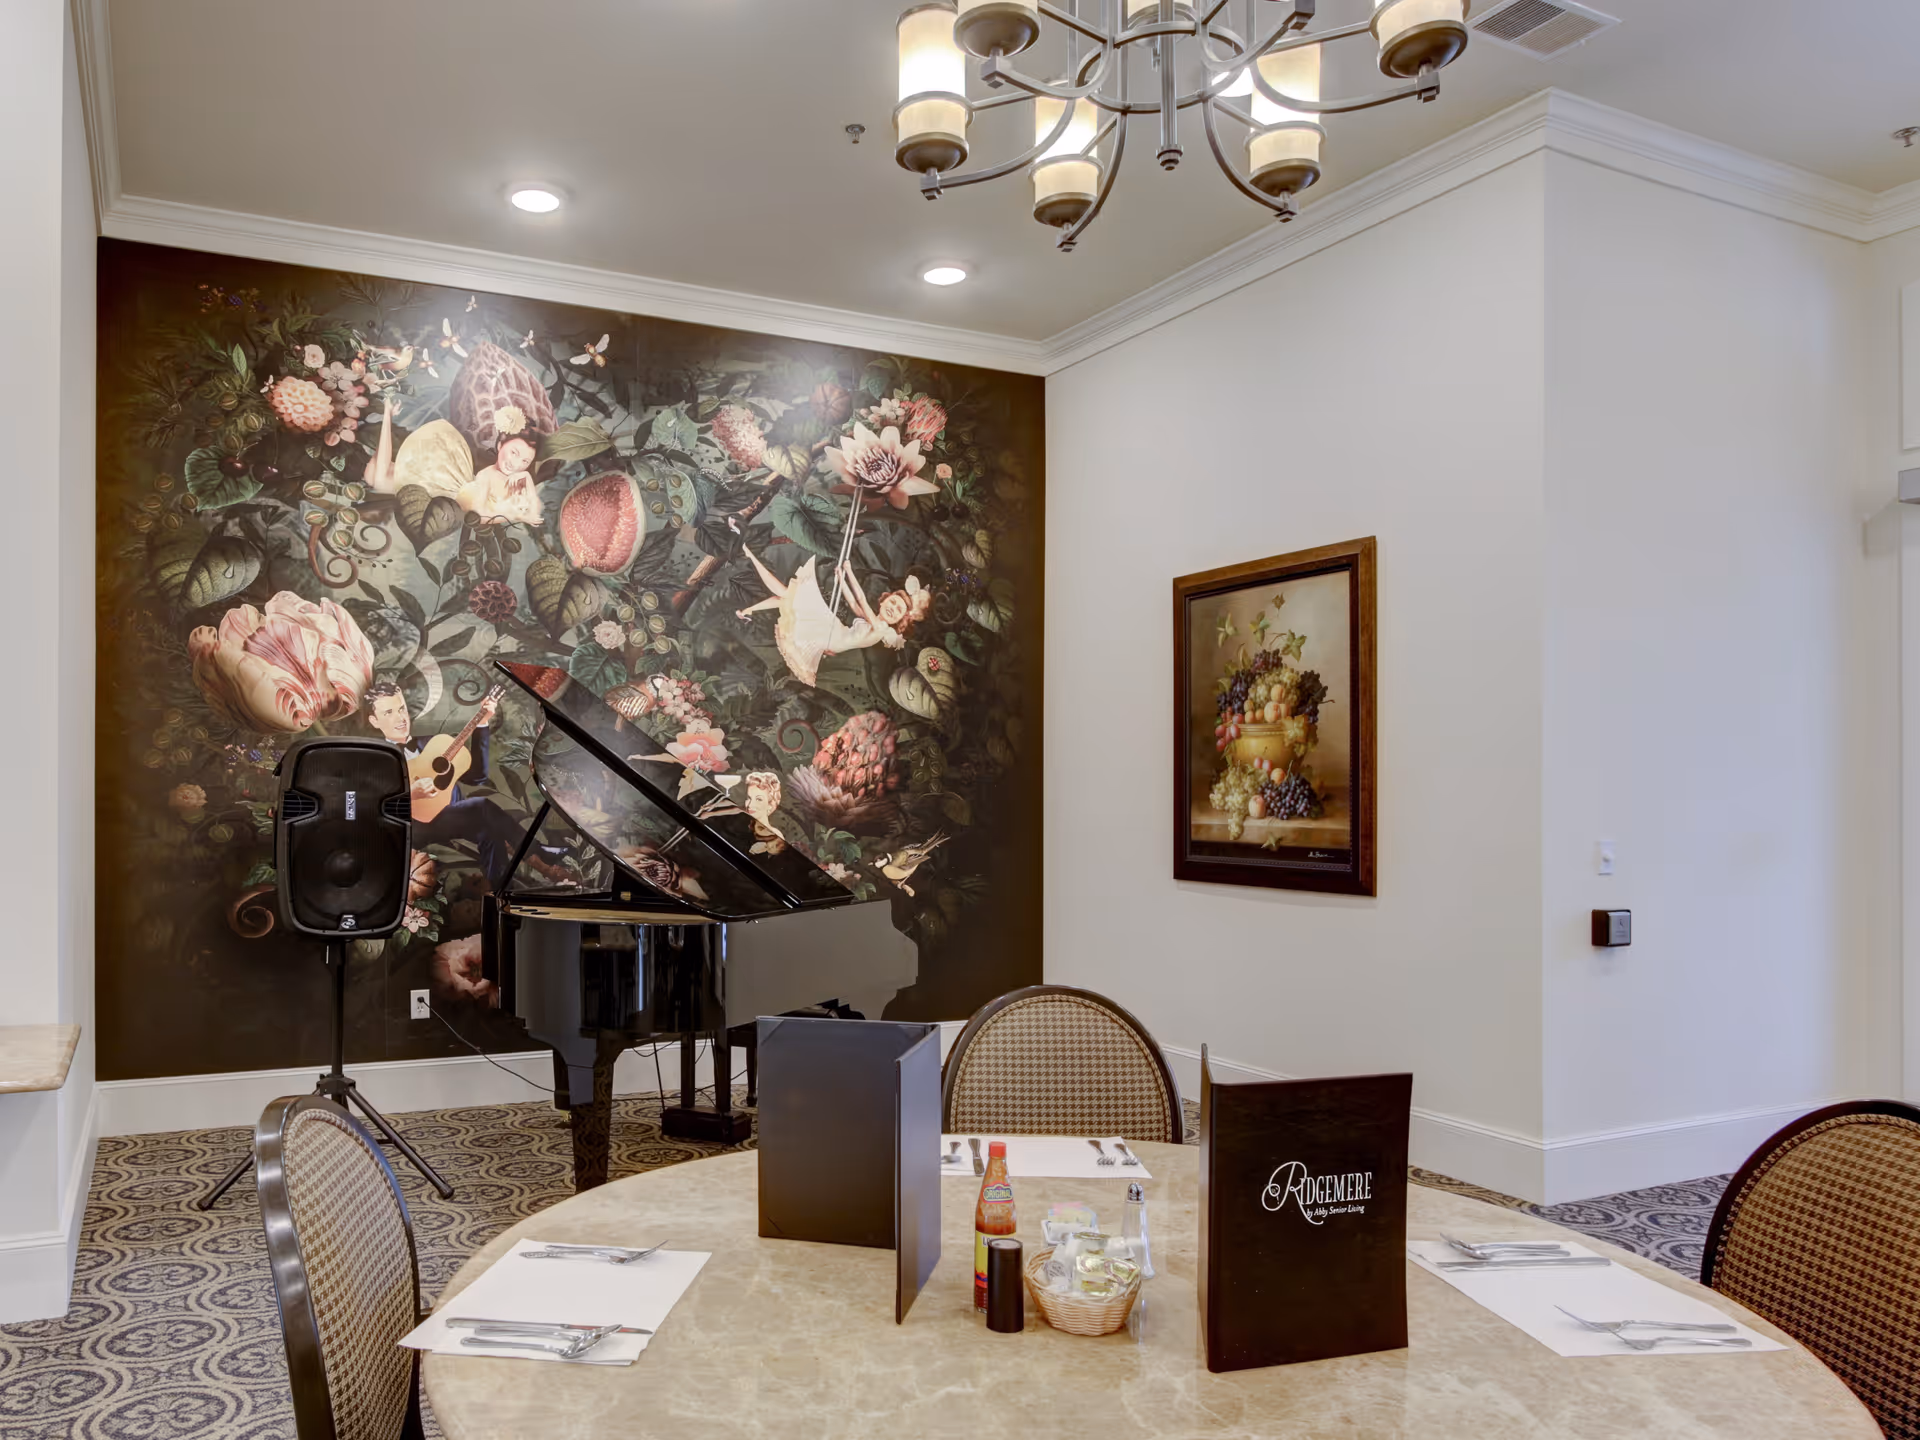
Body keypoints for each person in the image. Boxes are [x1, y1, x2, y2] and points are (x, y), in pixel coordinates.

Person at [365, 680, 559, 891]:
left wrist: (482, 723)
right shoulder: (376, 760)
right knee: (482, 807)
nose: (400, 717)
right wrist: (410, 795)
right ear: (374, 721)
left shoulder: (435, 743)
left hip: (452, 815)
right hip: (414, 828)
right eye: (389, 713)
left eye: (401, 708)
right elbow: (371, 805)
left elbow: (477, 777)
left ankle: (502, 893)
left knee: (489, 831)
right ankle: (538, 850)